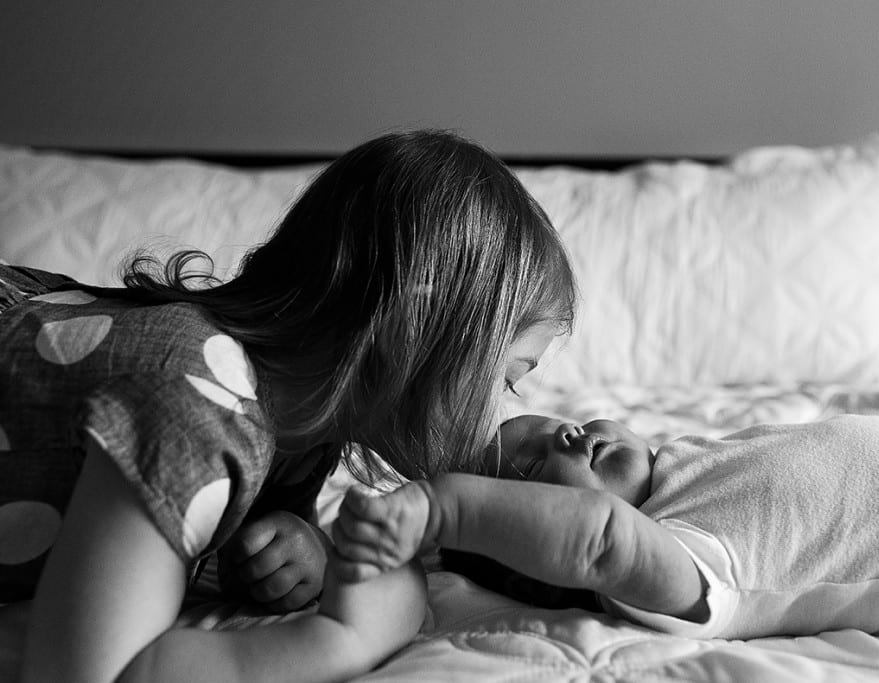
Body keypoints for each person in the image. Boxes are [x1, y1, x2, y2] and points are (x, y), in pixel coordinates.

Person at [0, 129, 576, 682]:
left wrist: (303, 544)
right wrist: (349, 636)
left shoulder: (307, 422)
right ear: (410, 332)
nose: (498, 414)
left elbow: (238, 508)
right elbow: (88, 670)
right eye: (504, 379)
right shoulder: (192, 397)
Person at [331, 393, 879, 643]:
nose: (567, 438)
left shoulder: (689, 460)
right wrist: (443, 508)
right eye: (538, 466)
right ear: (533, 549)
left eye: (561, 425)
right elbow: (601, 541)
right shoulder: (672, 559)